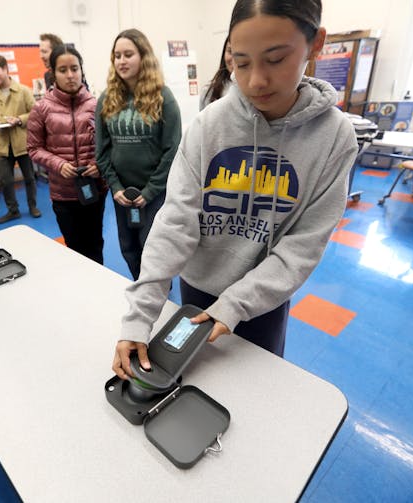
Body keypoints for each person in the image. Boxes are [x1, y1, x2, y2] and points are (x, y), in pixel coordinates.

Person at [112, 0, 359, 379]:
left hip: (263, 299)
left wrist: (236, 305)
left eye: (275, 59)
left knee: (256, 392)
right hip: (197, 287)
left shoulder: (334, 137)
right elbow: (175, 222)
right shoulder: (209, 125)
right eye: (241, 63)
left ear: (316, 43)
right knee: (196, 384)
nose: (256, 80)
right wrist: (139, 317)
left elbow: (302, 246)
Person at [95, 28, 182, 280]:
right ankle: (141, 286)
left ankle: (158, 295)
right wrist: (115, 187)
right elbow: (101, 151)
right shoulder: (106, 99)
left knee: (153, 249)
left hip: (154, 194)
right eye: (117, 55)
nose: (121, 61)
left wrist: (150, 192)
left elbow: (172, 150)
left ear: (143, 56)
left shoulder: (163, 97)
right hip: (122, 193)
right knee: (129, 247)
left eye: (128, 54)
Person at [27, 46, 107, 264]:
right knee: (73, 247)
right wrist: (58, 163)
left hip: (95, 190)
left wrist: (99, 164)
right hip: (63, 195)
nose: (70, 75)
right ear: (53, 73)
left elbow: (109, 145)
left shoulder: (97, 104)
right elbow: (33, 148)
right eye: (63, 70)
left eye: (74, 68)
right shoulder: (41, 108)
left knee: (95, 244)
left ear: (82, 70)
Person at [0, 54, 41, 223]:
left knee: (29, 177)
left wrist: (19, 119)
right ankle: (12, 210)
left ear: (5, 69)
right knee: (5, 180)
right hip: (2, 143)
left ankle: (32, 206)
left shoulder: (23, 90)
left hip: (22, 141)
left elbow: (35, 113)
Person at [199, 36, 234, 110]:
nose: (234, 58)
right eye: (230, 51)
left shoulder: (256, 90)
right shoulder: (209, 91)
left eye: (241, 53)